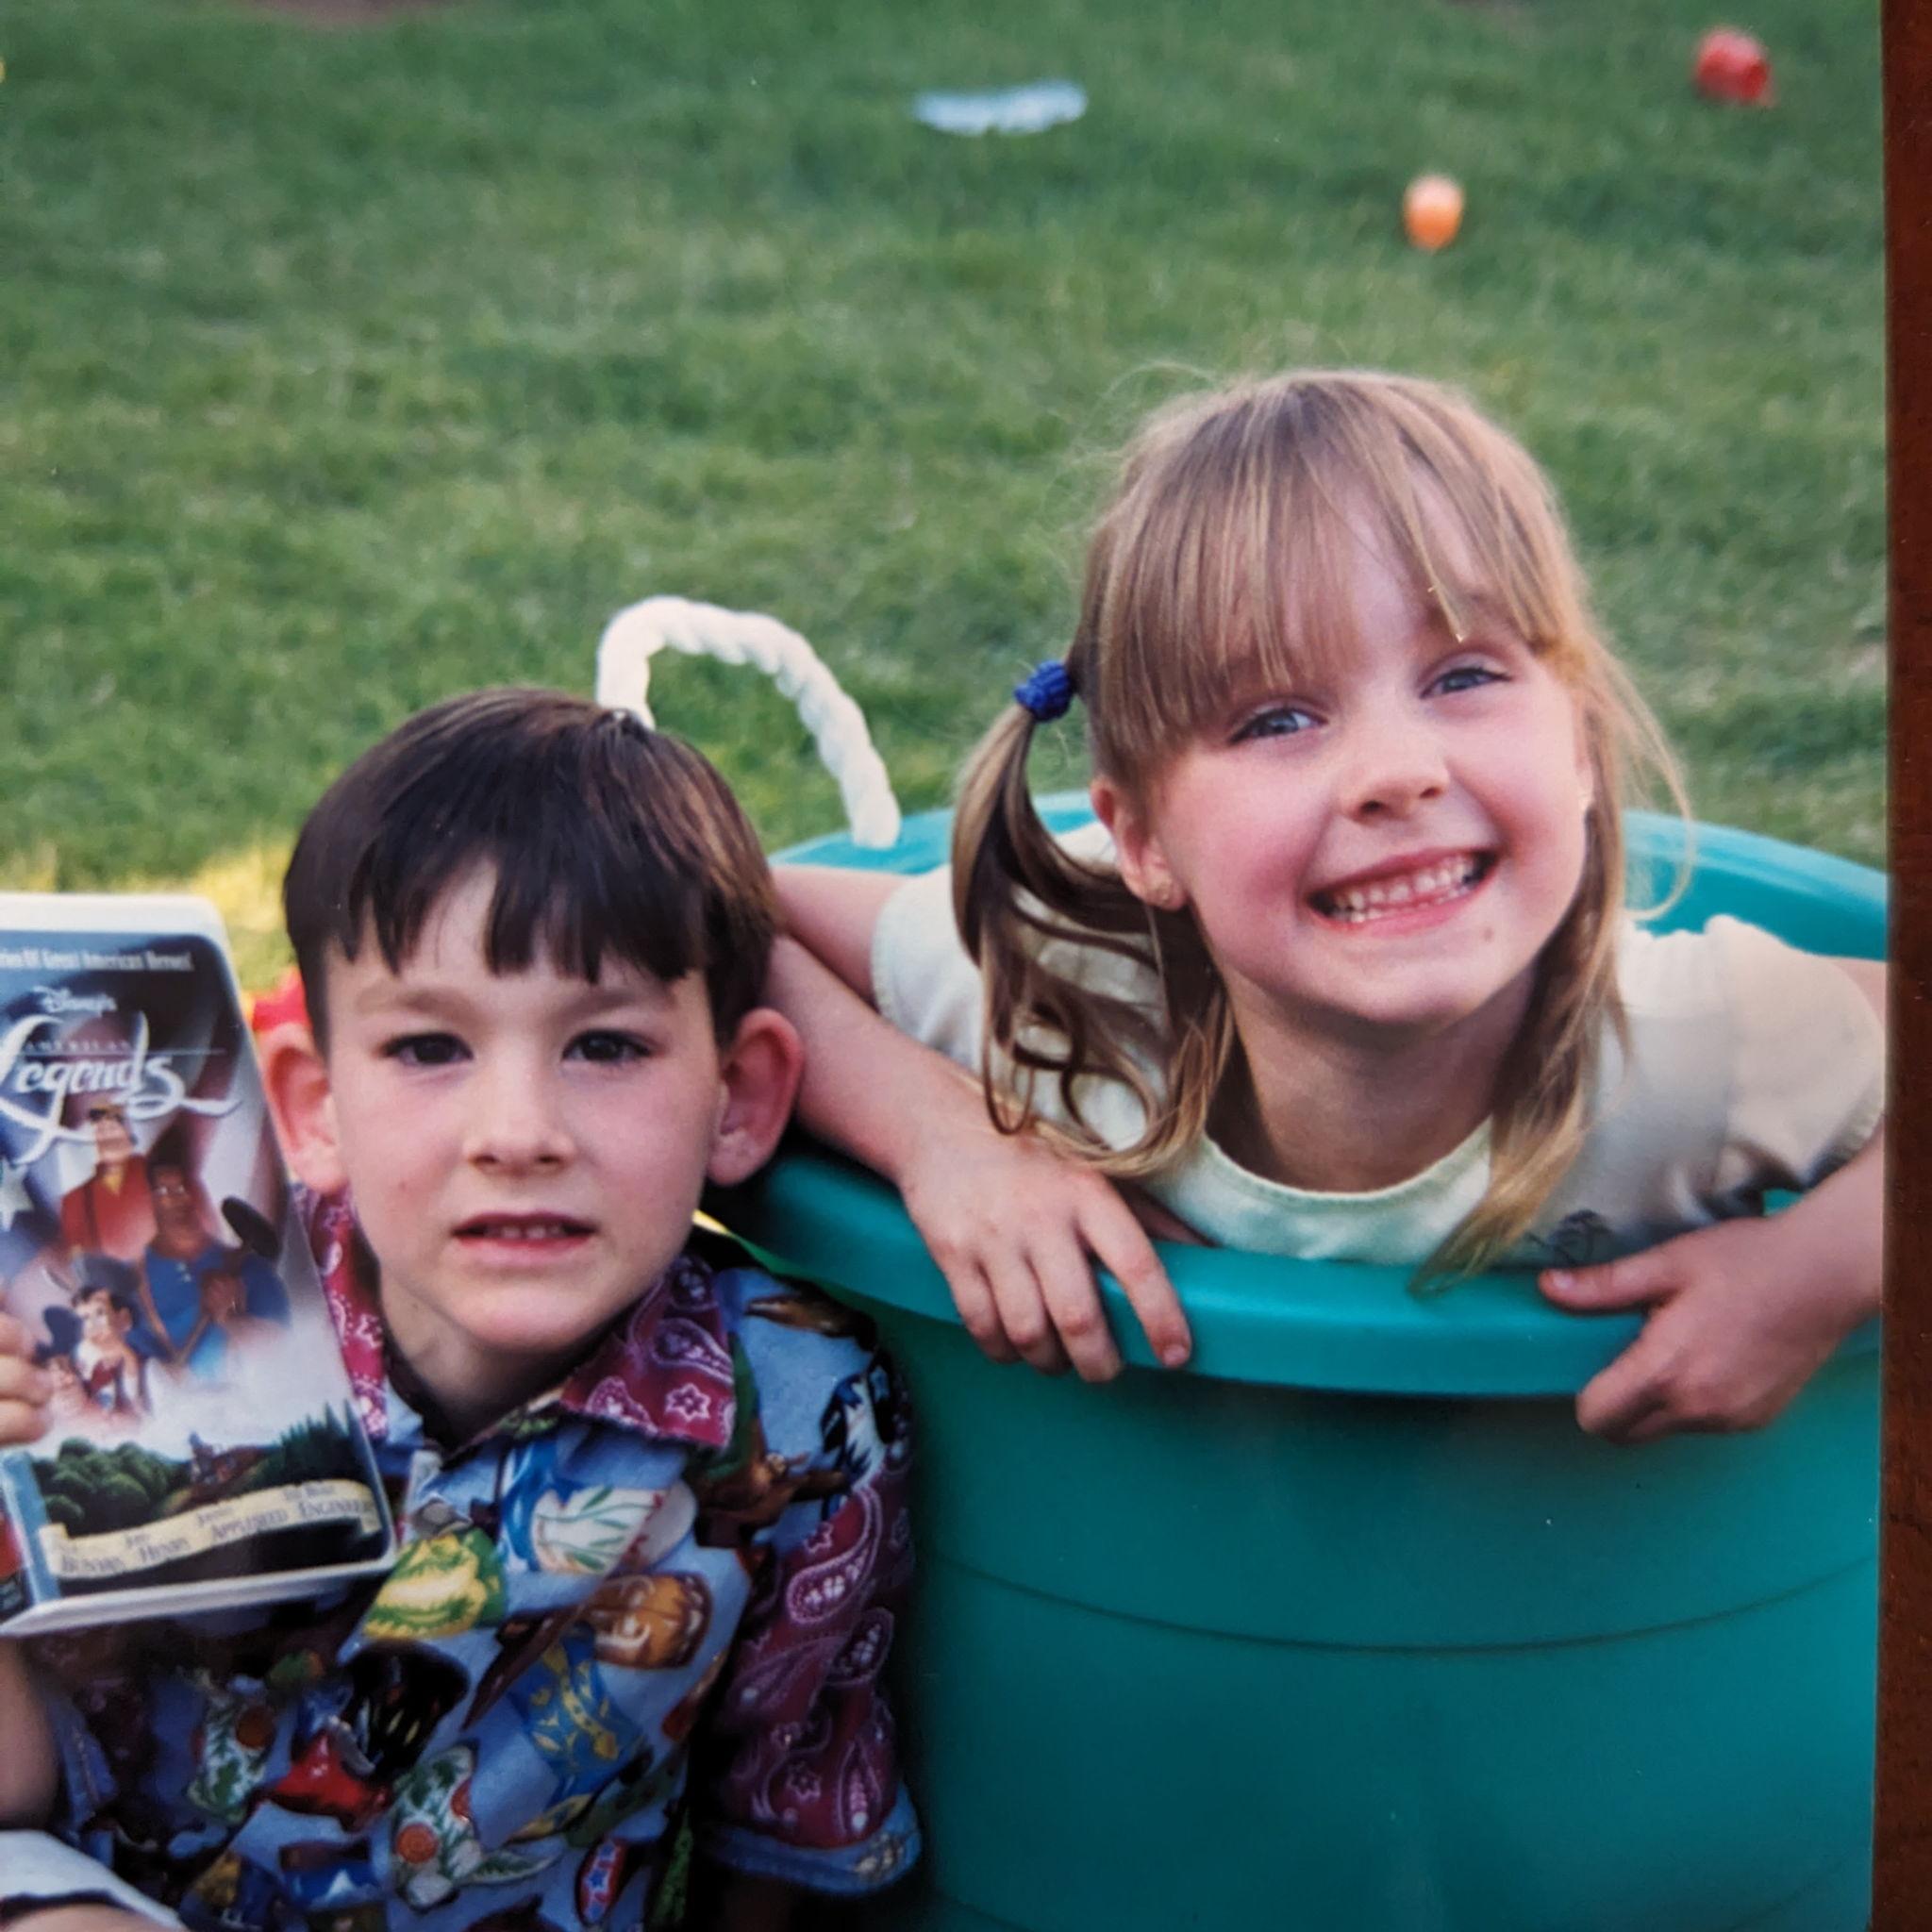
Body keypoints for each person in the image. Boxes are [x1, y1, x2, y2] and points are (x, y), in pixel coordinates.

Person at [772, 370, 1885, 1440]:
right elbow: (722, 912)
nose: (1394, 772)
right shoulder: (1079, 993)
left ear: (1581, 748)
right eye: (1275, 719)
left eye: (1461, 677)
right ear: (1141, 843)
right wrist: (943, 1138)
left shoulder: (1697, 1045)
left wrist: (1820, 1267)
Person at [0, 690, 918, 1931]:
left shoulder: (802, 1414)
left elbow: (787, 1834)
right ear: (317, 1107)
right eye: (431, 1048)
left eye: (605, 1047)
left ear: (740, 1095)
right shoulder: (174, 1327)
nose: (519, 1136)